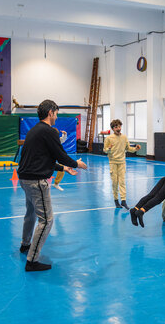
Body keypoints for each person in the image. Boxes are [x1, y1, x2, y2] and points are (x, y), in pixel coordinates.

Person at [18, 99, 88, 272]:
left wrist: (64, 168)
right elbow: (61, 154)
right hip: (36, 182)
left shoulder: (34, 131)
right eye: (56, 113)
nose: (56, 117)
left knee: (31, 213)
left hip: (25, 179)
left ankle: (25, 244)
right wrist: (76, 164)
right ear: (50, 113)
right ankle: (32, 260)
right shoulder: (48, 131)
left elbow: (43, 159)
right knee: (47, 220)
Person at [104, 119, 140, 209]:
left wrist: (135, 148)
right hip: (113, 163)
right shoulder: (108, 138)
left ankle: (123, 201)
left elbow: (128, 148)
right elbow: (105, 150)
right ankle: (116, 201)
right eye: (116, 127)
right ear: (112, 129)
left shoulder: (124, 137)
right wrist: (108, 148)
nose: (118, 128)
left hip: (122, 163)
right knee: (115, 182)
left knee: (122, 182)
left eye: (119, 126)